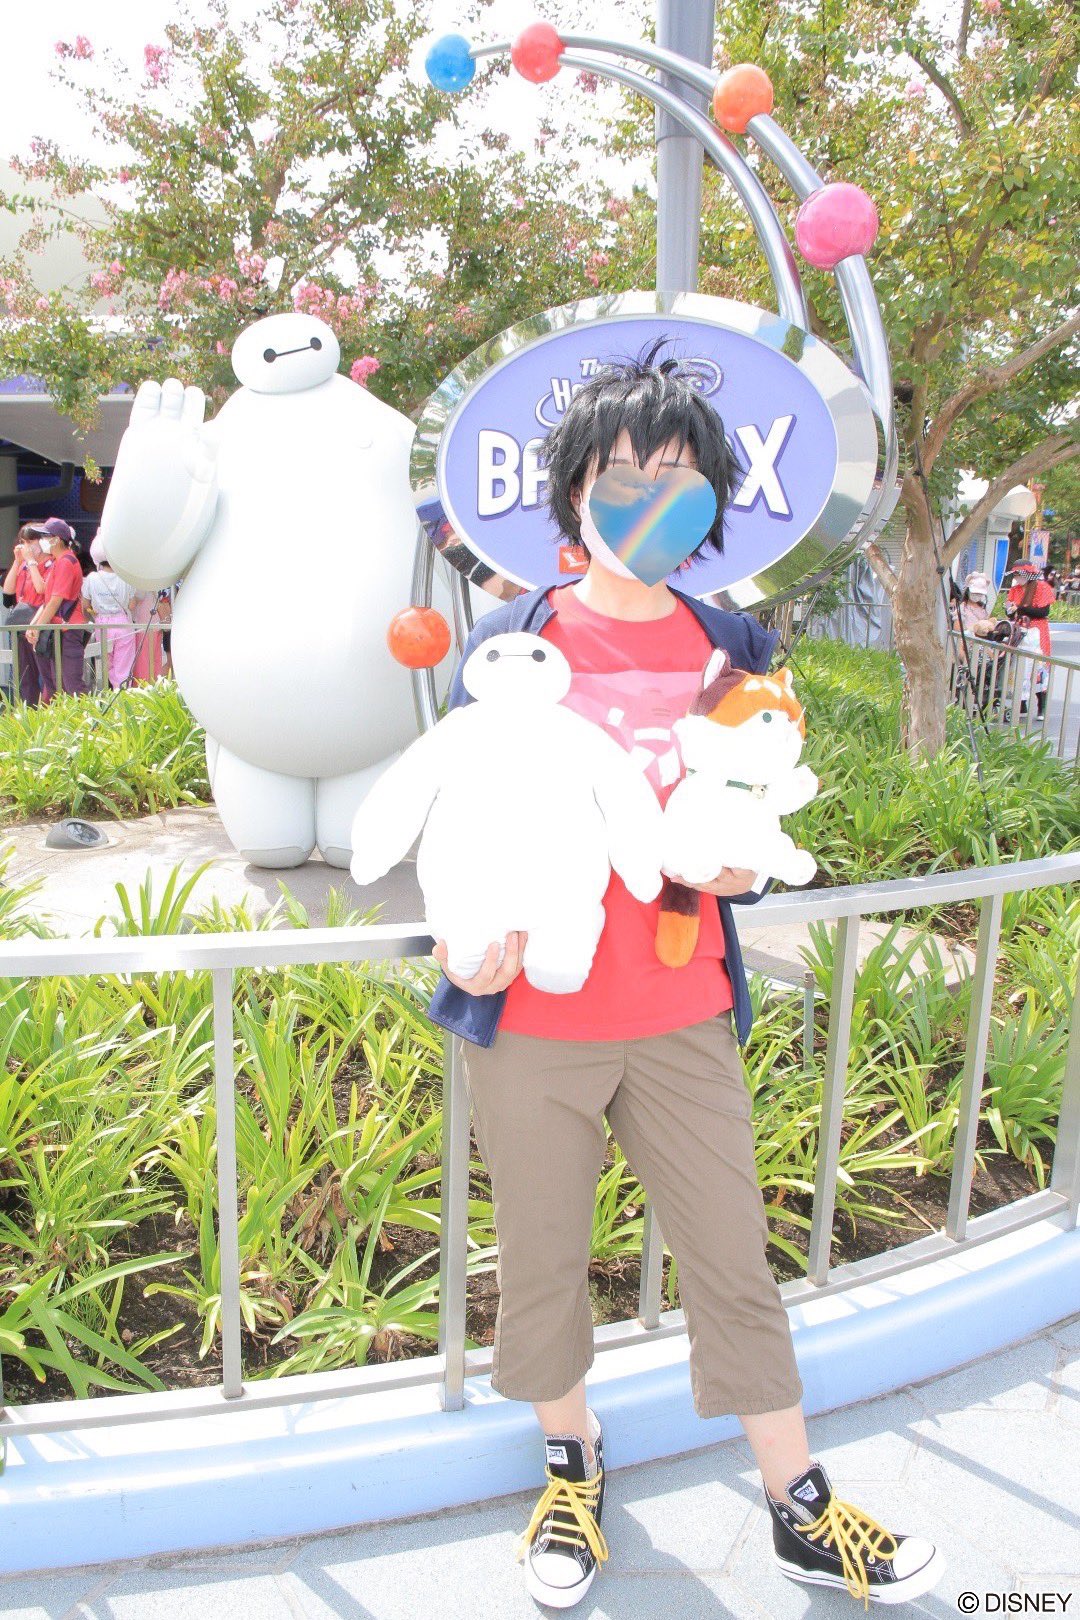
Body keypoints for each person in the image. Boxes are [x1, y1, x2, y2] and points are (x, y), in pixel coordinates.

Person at [425, 343, 944, 1610]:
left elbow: (756, 800)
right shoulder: (516, 638)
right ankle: (570, 1467)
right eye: (621, 472)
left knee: (731, 1260)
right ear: (574, 491)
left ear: (711, 495)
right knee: (543, 1258)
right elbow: (464, 809)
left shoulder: (734, 640)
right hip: (535, 1016)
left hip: (681, 1011)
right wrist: (459, 926)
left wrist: (745, 871)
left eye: (675, 473)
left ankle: (799, 1505)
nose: (649, 496)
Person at [24, 518, 88, 700]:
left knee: (71, 684)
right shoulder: (59, 561)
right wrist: (35, 625)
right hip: (60, 629)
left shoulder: (66, 562)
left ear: (57, 539)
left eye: (45, 536)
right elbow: (48, 599)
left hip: (68, 629)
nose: (41, 540)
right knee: (58, 684)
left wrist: (37, 627)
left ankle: (89, 717)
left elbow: (55, 601)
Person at [2, 523, 51, 704]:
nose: (26, 546)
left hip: (41, 626)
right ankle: (28, 710)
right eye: (23, 542)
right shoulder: (23, 565)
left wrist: (31, 562)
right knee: (25, 675)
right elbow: (8, 592)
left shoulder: (50, 564)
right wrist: (17, 562)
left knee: (46, 676)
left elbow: (41, 589)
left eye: (30, 541)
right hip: (21, 625)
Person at [82, 534, 137, 688]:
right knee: (124, 666)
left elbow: (85, 604)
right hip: (123, 624)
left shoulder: (92, 578)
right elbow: (132, 605)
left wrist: (93, 613)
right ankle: (121, 693)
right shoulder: (126, 577)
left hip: (102, 625)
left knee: (105, 665)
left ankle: (109, 692)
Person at [1006, 560, 1055, 717]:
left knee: (1039, 668)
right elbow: (1010, 611)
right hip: (1020, 631)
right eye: (1015, 575)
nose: (1017, 577)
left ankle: (1041, 705)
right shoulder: (1015, 589)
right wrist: (1011, 611)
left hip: (1037, 632)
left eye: (1019, 574)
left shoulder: (1042, 587)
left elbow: (1043, 612)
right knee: (1019, 667)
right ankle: (1022, 704)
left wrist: (1021, 608)